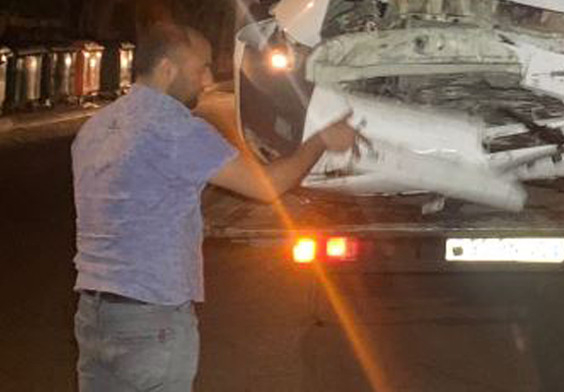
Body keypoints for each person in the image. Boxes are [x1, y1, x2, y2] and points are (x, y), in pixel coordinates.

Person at [71, 22, 359, 391]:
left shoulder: (96, 127)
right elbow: (267, 186)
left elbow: (132, 206)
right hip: (150, 320)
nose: (207, 79)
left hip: (94, 315)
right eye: (201, 68)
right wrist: (319, 141)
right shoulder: (175, 129)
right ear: (167, 70)